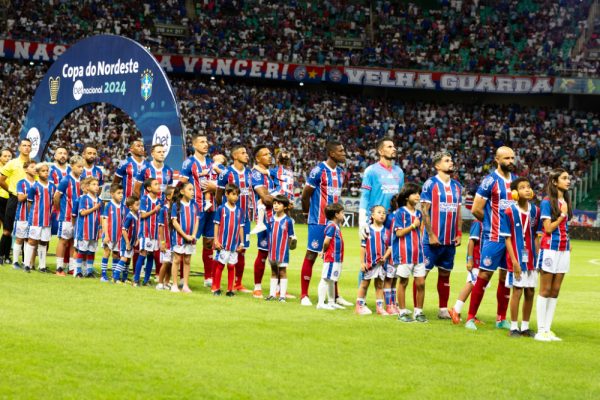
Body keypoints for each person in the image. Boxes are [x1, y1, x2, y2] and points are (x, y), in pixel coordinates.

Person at [465, 146, 517, 331]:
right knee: (484, 275)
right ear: (497, 159)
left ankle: (501, 318)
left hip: (511, 240)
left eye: (512, 158)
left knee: (505, 278)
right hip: (493, 237)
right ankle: (470, 317)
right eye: (506, 158)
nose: (510, 161)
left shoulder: (517, 182)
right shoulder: (490, 181)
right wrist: (490, 225)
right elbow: (476, 209)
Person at [300, 141, 350, 307]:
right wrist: (308, 214)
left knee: (333, 259)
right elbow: (305, 195)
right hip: (318, 221)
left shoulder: (341, 173)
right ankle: (304, 295)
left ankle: (335, 296)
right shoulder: (318, 171)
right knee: (312, 255)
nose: (344, 153)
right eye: (341, 150)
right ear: (332, 153)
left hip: (333, 224)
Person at [420, 151, 463, 319]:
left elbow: (458, 212)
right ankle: (418, 309)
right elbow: (424, 211)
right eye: (446, 161)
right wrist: (430, 234)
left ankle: (443, 309)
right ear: (437, 166)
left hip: (449, 241)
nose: (451, 162)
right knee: (422, 275)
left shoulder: (457, 186)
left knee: (445, 275)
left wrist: (459, 233)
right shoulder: (430, 184)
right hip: (432, 240)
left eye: (451, 160)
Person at [535, 168, 572, 342]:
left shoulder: (565, 200)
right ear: (555, 182)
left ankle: (548, 329)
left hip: (564, 249)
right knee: (545, 289)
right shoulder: (547, 202)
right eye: (564, 178)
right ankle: (540, 330)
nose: (568, 181)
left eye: (568, 178)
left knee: (555, 290)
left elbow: (565, 227)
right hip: (549, 248)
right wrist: (563, 214)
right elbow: (548, 228)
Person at [501, 177, 541, 338]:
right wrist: (515, 262)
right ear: (515, 193)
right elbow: (507, 238)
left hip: (531, 258)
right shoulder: (509, 212)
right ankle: (513, 326)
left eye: (529, 186)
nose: (527, 189)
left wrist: (538, 258)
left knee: (530, 292)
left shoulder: (535, 211)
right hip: (516, 259)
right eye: (523, 187)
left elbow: (537, 236)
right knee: (517, 291)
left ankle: (525, 327)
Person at [180, 135, 218, 288]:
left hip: (212, 207)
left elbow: (220, 182)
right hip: (195, 209)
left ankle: (208, 277)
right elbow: (181, 184)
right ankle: (182, 276)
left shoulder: (212, 163)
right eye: (202, 142)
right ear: (194, 145)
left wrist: (214, 187)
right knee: (189, 240)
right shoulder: (189, 163)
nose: (206, 144)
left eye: (207, 142)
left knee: (209, 242)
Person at [216, 145, 252, 293]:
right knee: (221, 250)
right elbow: (218, 194)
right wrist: (223, 212)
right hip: (227, 218)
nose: (246, 155)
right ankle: (215, 283)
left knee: (241, 250)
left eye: (246, 153)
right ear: (235, 156)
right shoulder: (226, 173)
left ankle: (238, 283)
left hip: (244, 219)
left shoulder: (250, 173)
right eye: (243, 153)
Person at [134, 143, 174, 279]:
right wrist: (141, 206)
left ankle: (159, 274)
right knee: (144, 245)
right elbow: (136, 188)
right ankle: (137, 274)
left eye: (163, 151)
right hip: (148, 211)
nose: (162, 154)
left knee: (161, 242)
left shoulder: (168, 170)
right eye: (159, 151)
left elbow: (170, 190)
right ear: (152, 154)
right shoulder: (145, 169)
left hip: (163, 211)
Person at [391, 183, 427, 323]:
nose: (418, 195)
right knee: (404, 282)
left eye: (419, 193)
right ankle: (402, 312)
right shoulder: (400, 212)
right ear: (407, 197)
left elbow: (420, 231)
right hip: (404, 252)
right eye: (414, 193)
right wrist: (413, 226)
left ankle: (418, 312)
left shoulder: (418, 213)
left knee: (421, 283)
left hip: (418, 253)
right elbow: (399, 233)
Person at [250, 144, 277, 298]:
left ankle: (278, 288)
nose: (269, 156)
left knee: (278, 254)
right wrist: (283, 200)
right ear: (258, 158)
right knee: (263, 253)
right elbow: (265, 198)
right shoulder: (256, 174)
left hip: (277, 218)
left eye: (270, 153)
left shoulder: (270, 174)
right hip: (265, 219)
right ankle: (257, 287)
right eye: (265, 154)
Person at [0, 139, 32, 264]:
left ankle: (26, 260)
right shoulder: (12, 163)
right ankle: (3, 256)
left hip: (29, 201)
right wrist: (12, 191)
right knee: (8, 229)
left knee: (27, 230)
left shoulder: (33, 164)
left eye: (29, 146)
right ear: (19, 148)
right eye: (24, 145)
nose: (27, 148)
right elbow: (1, 180)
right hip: (14, 198)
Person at [355, 205, 391, 315]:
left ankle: (379, 308)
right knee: (364, 284)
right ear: (372, 215)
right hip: (370, 263)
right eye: (379, 212)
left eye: (384, 213)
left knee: (380, 285)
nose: (382, 214)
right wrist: (362, 262)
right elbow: (363, 247)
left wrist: (384, 258)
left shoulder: (387, 231)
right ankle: (359, 306)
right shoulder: (367, 229)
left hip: (381, 264)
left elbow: (390, 248)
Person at [53, 155, 84, 276]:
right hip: (66, 216)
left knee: (73, 241)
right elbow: (56, 197)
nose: (81, 169)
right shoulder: (66, 180)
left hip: (77, 217)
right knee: (63, 241)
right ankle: (59, 268)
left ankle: (71, 267)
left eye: (82, 167)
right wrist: (59, 210)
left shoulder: (82, 180)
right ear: (72, 166)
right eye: (79, 166)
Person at [449, 220, 484, 324]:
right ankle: (456, 310)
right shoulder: (478, 222)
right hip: (477, 259)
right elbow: (471, 241)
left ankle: (472, 314)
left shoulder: (488, 220)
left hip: (484, 259)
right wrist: (470, 258)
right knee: (472, 283)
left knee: (479, 286)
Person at [212, 183, 245, 296]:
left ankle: (230, 290)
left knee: (231, 266)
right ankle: (216, 288)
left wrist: (242, 242)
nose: (235, 197)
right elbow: (216, 225)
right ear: (226, 194)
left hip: (234, 245)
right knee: (220, 265)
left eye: (237, 195)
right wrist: (216, 240)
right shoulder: (221, 209)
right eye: (233, 194)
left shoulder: (239, 211)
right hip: (223, 244)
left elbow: (241, 227)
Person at [23, 163, 56, 273]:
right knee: (32, 241)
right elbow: (29, 204)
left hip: (47, 220)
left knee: (44, 242)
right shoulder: (34, 187)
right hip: (36, 219)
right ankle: (26, 264)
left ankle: (42, 266)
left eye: (47, 170)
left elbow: (54, 202)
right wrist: (32, 215)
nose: (46, 172)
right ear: (37, 173)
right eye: (43, 171)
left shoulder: (52, 186)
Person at [265, 195, 296, 302]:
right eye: (274, 203)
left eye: (279, 203)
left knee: (282, 272)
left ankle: (282, 295)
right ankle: (272, 294)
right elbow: (269, 234)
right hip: (272, 251)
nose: (276, 205)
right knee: (273, 272)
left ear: (285, 207)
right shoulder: (270, 219)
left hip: (283, 252)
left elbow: (292, 236)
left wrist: (292, 243)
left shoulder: (288, 221)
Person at [170, 182, 200, 293]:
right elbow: (174, 222)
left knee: (187, 260)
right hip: (179, 237)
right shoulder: (176, 205)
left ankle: (185, 285)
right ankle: (174, 284)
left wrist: (193, 235)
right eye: (190, 189)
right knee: (177, 259)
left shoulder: (195, 205)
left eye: (193, 189)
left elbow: (197, 221)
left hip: (190, 238)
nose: (192, 192)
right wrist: (184, 235)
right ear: (182, 191)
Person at [316, 203, 346, 310]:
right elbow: (326, 241)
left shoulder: (336, 226)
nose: (343, 215)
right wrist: (323, 251)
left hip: (337, 258)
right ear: (336, 215)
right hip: (331, 257)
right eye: (342, 213)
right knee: (325, 279)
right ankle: (320, 303)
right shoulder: (331, 226)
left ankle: (331, 302)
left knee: (332, 280)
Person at [134, 178, 163, 287]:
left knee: (151, 255)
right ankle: (136, 279)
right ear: (149, 188)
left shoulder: (160, 200)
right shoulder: (145, 199)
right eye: (156, 184)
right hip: (146, 232)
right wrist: (154, 210)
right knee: (143, 254)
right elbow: (143, 215)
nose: (159, 186)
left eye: (159, 184)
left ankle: (146, 280)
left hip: (155, 233)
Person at [74, 177, 102, 278]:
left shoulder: (99, 200)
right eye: (93, 184)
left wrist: (100, 229)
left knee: (91, 251)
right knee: (82, 250)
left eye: (97, 184)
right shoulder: (83, 198)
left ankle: (89, 271)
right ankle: (78, 271)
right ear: (87, 187)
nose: (96, 187)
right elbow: (82, 212)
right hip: (84, 230)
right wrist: (94, 208)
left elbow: (100, 216)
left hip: (94, 230)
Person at [11, 160, 36, 269]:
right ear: (26, 169)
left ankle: (26, 263)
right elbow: (20, 198)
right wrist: (32, 192)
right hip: (22, 215)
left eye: (36, 167)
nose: (35, 169)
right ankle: (15, 262)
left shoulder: (38, 183)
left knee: (29, 239)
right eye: (32, 167)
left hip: (34, 217)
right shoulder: (21, 182)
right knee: (20, 238)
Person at [100, 185, 124, 282]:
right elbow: (105, 220)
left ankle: (115, 275)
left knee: (116, 254)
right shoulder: (109, 205)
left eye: (122, 193)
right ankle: (103, 275)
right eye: (118, 193)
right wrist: (106, 234)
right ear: (112, 194)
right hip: (109, 234)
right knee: (107, 252)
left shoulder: (123, 206)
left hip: (118, 236)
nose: (121, 195)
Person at [114, 196, 140, 283]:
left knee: (128, 259)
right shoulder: (129, 217)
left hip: (132, 242)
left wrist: (137, 239)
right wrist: (127, 242)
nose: (139, 207)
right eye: (137, 205)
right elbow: (124, 230)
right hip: (125, 242)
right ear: (131, 207)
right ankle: (116, 277)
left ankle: (124, 278)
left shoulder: (137, 216)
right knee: (124, 258)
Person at [156, 186, 175, 290]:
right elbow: (161, 227)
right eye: (174, 194)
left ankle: (167, 282)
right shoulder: (163, 210)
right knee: (166, 262)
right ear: (168, 197)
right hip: (166, 242)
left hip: (174, 242)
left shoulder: (176, 209)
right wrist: (162, 242)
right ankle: (159, 282)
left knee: (171, 263)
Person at [0, 149, 13, 251]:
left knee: (8, 228)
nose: (7, 158)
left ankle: (5, 253)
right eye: (5, 156)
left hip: (10, 200)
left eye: (9, 156)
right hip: (0, 199)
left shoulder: (13, 168)